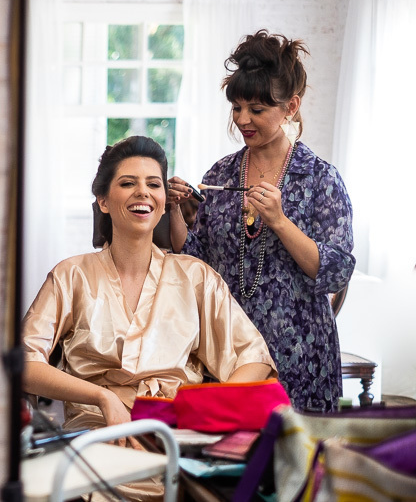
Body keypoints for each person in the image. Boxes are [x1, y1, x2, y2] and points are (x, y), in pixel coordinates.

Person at [22, 135, 275, 434]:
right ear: (103, 201)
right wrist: (102, 397)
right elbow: (24, 362)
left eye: (154, 184)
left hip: (176, 435)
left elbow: (253, 358)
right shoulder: (70, 275)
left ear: (164, 200)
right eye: (128, 183)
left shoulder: (196, 277)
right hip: (96, 436)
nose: (142, 192)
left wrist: (208, 406)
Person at [168, 30, 355, 412]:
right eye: (237, 108)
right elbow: (196, 260)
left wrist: (280, 221)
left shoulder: (320, 179)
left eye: (256, 109)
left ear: (290, 106)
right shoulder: (221, 174)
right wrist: (173, 208)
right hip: (230, 351)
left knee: (297, 467)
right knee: (229, 464)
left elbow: (336, 273)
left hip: (301, 355)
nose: (243, 120)